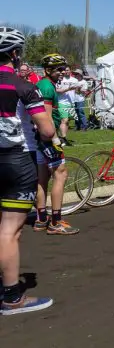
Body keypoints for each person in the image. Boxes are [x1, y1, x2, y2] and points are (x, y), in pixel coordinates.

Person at [0, 27, 56, 315]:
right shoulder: (23, 86)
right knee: (9, 230)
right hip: (15, 160)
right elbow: (46, 129)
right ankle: (12, 297)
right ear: (14, 53)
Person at [34, 54, 78, 235]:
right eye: (58, 69)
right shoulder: (46, 87)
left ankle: (41, 219)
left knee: (42, 178)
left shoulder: (44, 85)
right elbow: (45, 116)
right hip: (46, 137)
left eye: (63, 68)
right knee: (61, 174)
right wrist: (54, 139)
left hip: (37, 138)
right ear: (47, 70)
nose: (62, 72)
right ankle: (56, 221)